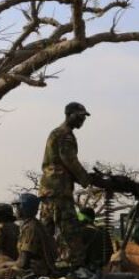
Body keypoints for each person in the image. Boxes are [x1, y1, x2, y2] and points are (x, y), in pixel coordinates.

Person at [39, 102, 103, 267]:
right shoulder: (65, 134)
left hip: (48, 189)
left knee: (46, 231)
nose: (83, 119)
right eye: (80, 116)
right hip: (59, 190)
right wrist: (86, 179)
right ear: (70, 114)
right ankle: (76, 268)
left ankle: (40, 264)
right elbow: (70, 160)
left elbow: (61, 164)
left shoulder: (56, 133)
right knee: (71, 231)